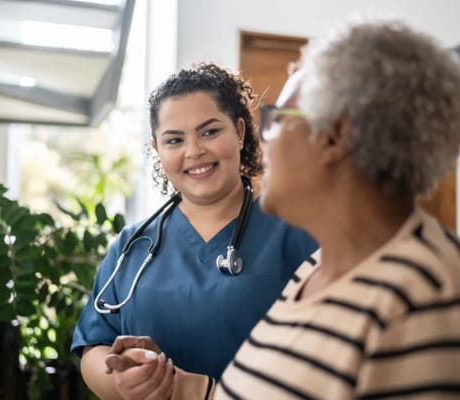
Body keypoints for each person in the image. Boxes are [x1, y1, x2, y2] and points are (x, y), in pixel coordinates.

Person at [122, 19, 460, 399]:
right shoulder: (313, 273)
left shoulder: (437, 296)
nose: (265, 137)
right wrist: (171, 383)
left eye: (278, 119)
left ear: (334, 137)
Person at [70, 63, 317, 399]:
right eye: (174, 140)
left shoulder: (295, 235)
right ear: (158, 150)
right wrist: (126, 380)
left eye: (210, 132)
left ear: (240, 132)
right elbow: (94, 347)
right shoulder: (132, 245)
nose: (194, 151)